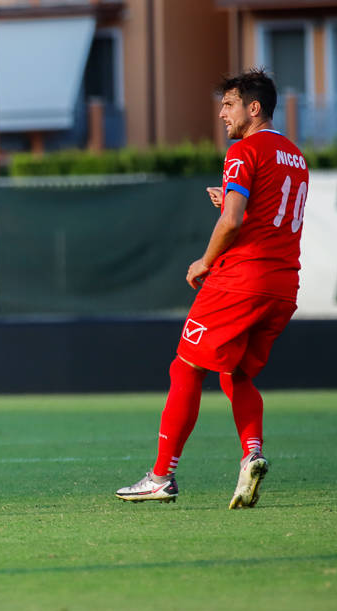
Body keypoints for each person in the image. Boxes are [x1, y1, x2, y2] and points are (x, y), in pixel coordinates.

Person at [116, 69, 308, 508]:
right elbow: (268, 213)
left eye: (229, 104)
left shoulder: (243, 149)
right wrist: (232, 201)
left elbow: (235, 220)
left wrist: (205, 261)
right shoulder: (295, 156)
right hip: (283, 284)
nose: (222, 113)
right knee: (236, 373)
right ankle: (251, 455)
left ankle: (162, 476)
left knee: (185, 367)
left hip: (241, 279)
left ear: (253, 108)